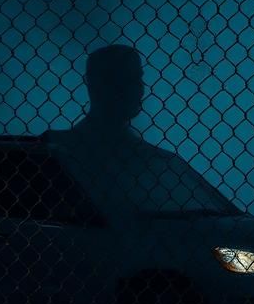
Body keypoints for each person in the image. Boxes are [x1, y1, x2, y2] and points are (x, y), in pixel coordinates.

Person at [44, 46, 236, 217]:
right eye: (124, 80)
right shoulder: (54, 151)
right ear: (96, 85)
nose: (137, 88)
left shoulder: (157, 162)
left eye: (137, 78)